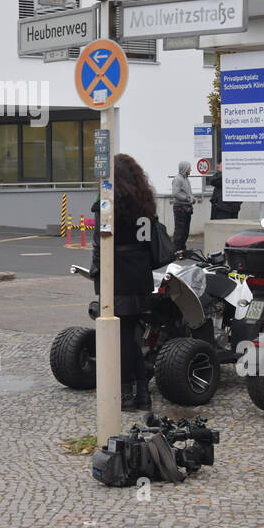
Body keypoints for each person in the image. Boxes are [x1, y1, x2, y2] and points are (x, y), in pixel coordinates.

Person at [90, 153, 161, 412]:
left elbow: (100, 243)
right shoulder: (145, 203)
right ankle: (142, 393)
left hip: (116, 273)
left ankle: (126, 393)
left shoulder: (108, 203)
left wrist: (97, 274)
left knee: (121, 337)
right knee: (132, 335)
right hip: (140, 274)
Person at [170, 160, 194, 253]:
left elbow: (189, 192)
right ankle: (176, 250)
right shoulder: (178, 179)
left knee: (185, 230)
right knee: (180, 230)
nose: (190, 170)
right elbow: (175, 193)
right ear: (184, 168)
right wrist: (188, 199)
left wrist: (193, 198)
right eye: (189, 168)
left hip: (187, 208)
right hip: (180, 207)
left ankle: (182, 248)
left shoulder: (186, 179)